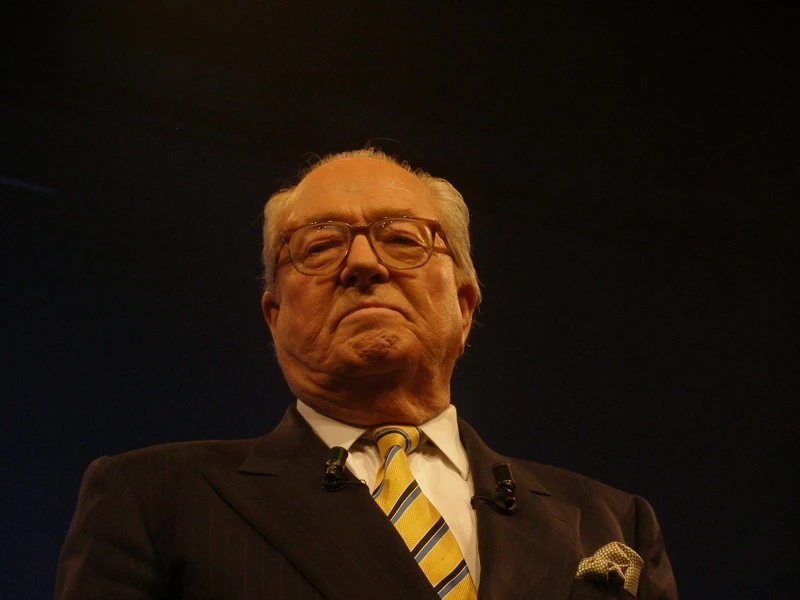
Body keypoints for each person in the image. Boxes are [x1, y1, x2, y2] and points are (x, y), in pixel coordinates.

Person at [55, 148, 678, 599]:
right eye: (319, 246)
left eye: (402, 239)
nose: (361, 262)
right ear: (274, 317)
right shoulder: (153, 498)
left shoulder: (612, 521)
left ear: (464, 307)